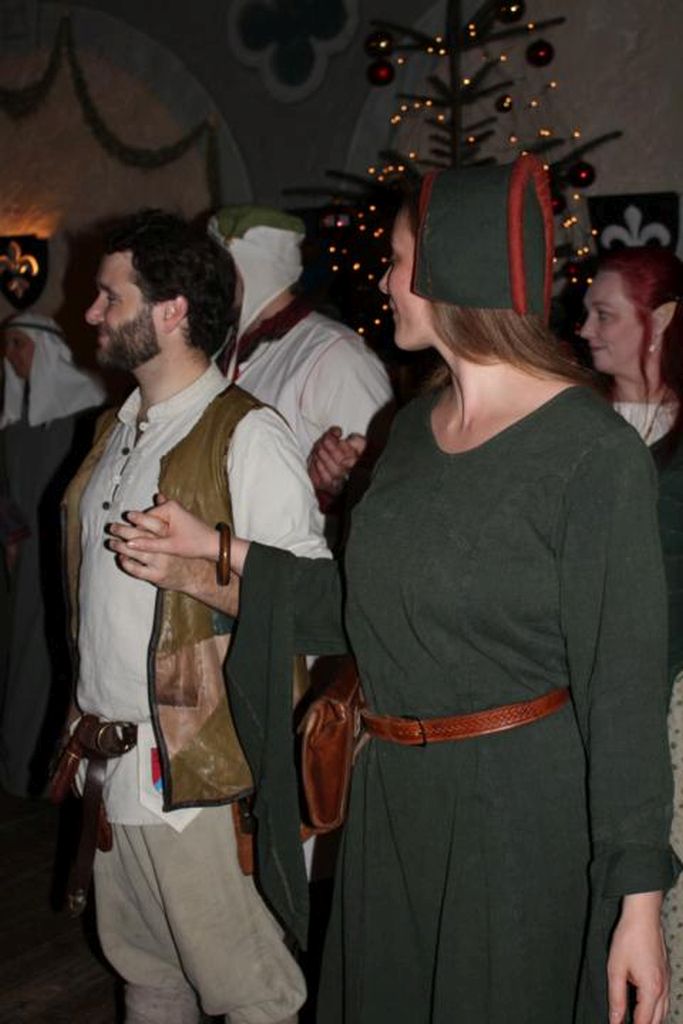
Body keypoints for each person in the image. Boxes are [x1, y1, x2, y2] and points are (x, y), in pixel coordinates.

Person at [108, 158, 677, 1024]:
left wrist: (637, 905)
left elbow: (623, 690)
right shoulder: (410, 428)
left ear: (454, 268)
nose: (382, 281)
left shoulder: (590, 453)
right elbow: (364, 606)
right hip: (390, 802)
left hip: (516, 817)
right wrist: (213, 553)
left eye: (400, 259)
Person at [61, 209, 330, 1024]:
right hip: (114, 767)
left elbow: (313, 609)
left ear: (171, 310)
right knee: (146, 976)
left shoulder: (248, 436)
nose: (92, 312)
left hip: (200, 771)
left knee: (253, 996)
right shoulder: (115, 429)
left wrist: (201, 571)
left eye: (111, 296)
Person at [581, 246, 683, 1022]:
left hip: (674, 704)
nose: (583, 329)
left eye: (603, 314)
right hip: (580, 703)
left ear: (663, 321)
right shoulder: (569, 427)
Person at [207, 205, 393, 512]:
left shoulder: (337, 356)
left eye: (220, 266)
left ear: (253, 267)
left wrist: (333, 487)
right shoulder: (223, 351)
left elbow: (387, 486)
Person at [0, 314, 105, 796]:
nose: (10, 356)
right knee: (24, 655)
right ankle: (21, 768)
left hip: (69, 555)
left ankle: (53, 773)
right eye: (7, 347)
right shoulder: (15, 420)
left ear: (44, 350)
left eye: (18, 345)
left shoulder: (87, 413)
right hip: (26, 561)